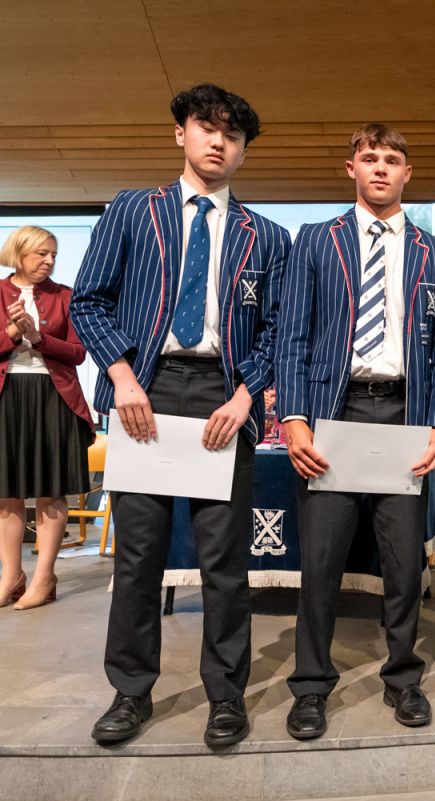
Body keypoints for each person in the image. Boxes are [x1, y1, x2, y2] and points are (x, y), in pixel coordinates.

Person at [70, 84, 291, 747]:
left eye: (233, 134)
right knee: (138, 557)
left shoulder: (265, 236)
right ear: (181, 133)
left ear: (244, 151)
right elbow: (88, 301)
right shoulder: (133, 210)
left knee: (225, 562)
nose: (219, 141)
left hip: (224, 398)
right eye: (206, 127)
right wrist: (122, 377)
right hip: (146, 389)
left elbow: (277, 331)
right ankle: (130, 691)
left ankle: (226, 696)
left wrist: (246, 397)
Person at [276, 123, 435, 740]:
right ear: (350, 167)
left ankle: (403, 678)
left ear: (408, 173)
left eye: (392, 159)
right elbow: (293, 335)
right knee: (320, 564)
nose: (381, 167)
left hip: (404, 417)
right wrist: (293, 417)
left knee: (404, 565)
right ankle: (310, 686)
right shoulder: (316, 239)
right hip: (334, 415)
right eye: (370, 157)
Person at [0, 227, 94, 610]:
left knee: (51, 489)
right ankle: (11, 576)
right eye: (41, 253)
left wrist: (38, 337)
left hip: (55, 395)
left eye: (53, 254)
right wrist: (12, 331)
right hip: (6, 396)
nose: (49, 261)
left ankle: (44, 578)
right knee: (6, 492)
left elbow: (78, 352)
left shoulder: (66, 296)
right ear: (19, 252)